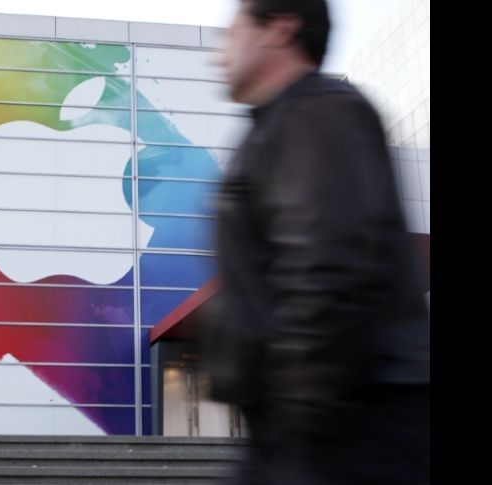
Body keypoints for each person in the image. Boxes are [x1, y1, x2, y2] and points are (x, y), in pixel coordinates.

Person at [202, 1, 430, 483]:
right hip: (309, 427)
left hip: (343, 430)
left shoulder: (319, 114)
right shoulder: (279, 125)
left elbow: (328, 269)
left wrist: (299, 414)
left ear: (280, 27)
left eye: (233, 32)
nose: (218, 55)